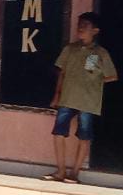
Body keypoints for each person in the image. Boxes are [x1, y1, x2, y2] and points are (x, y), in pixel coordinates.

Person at [46, 12, 118, 184]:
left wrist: (95, 80)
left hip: (88, 101)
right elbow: (61, 72)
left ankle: (75, 173)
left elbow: (112, 76)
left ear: (95, 30)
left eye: (85, 26)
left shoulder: (100, 53)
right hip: (67, 97)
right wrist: (57, 95)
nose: (80, 28)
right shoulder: (70, 49)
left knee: (84, 136)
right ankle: (61, 170)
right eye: (80, 25)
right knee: (58, 133)